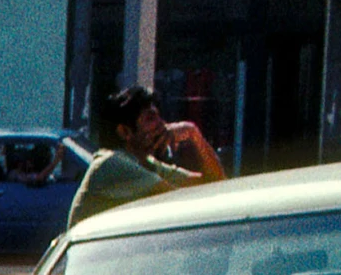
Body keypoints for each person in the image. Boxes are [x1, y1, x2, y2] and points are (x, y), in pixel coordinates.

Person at [66, 84, 228, 228]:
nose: (162, 125)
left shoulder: (148, 163)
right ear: (125, 132)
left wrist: (193, 134)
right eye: (150, 118)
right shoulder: (111, 163)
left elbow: (216, 185)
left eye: (159, 117)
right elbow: (182, 203)